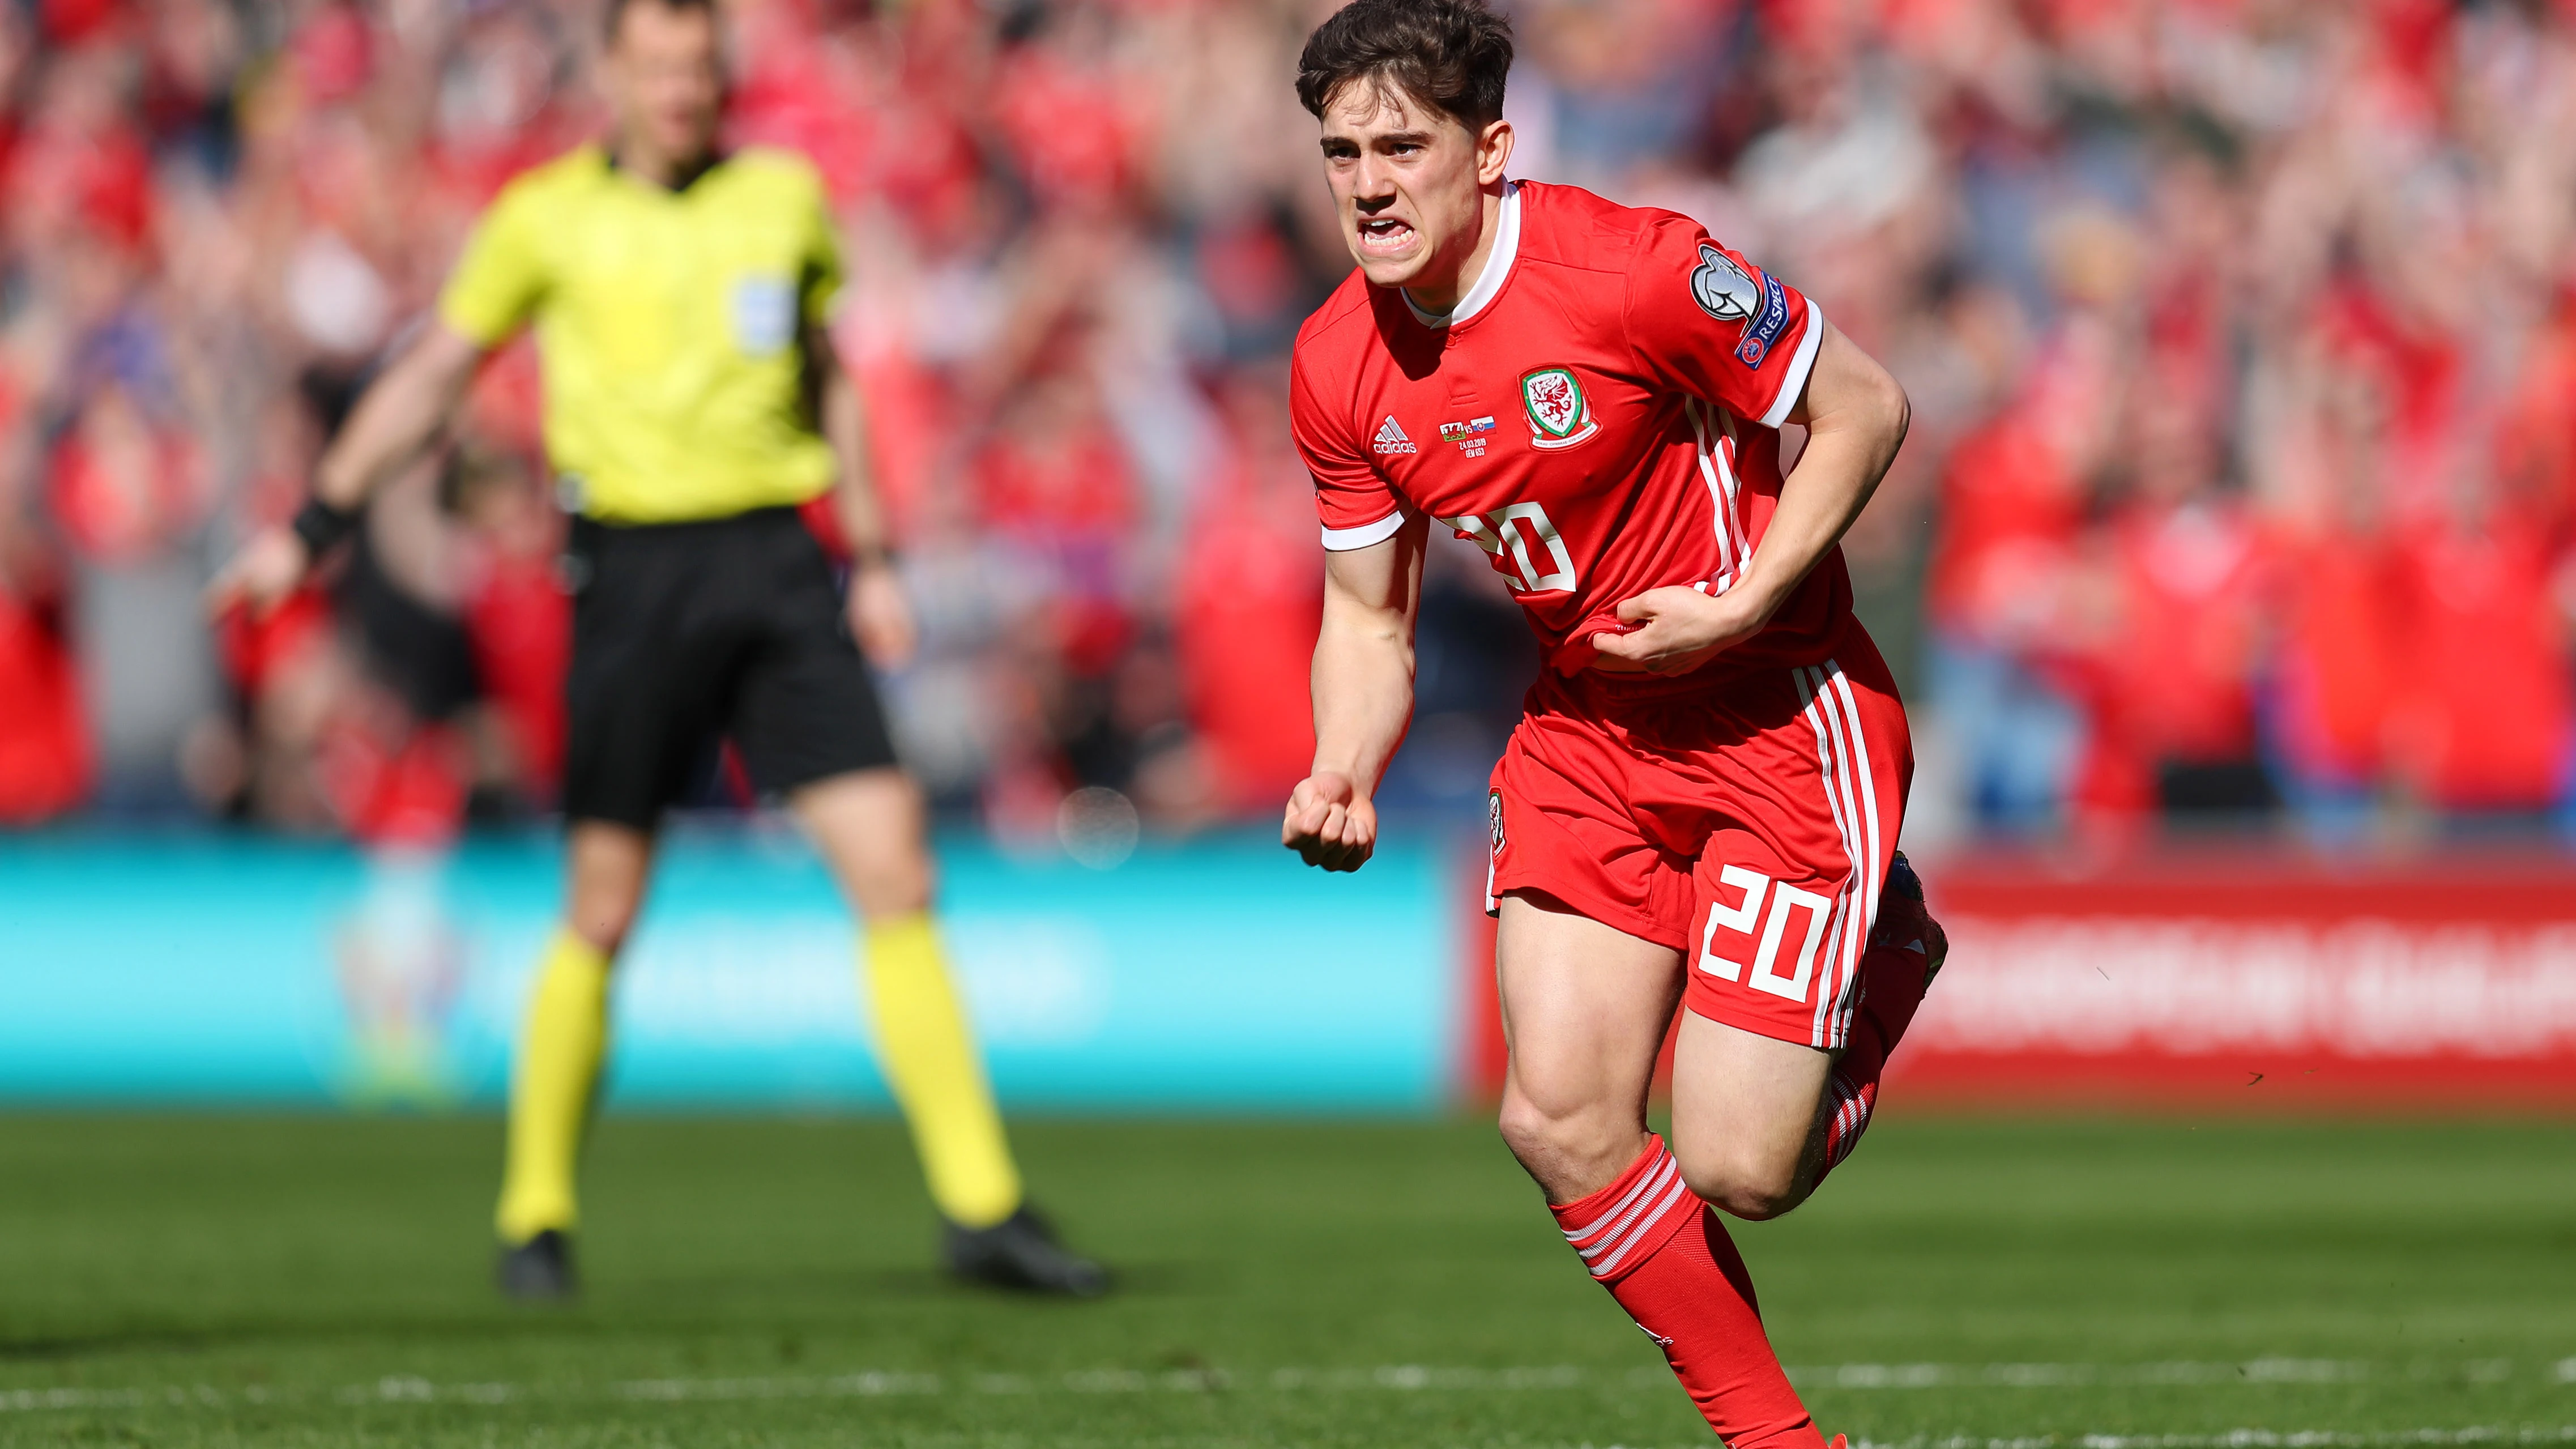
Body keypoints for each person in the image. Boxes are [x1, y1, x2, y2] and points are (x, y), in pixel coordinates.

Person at [210, 0, 1104, 1301]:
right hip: (635, 573)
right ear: (614, 77)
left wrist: (879, 555)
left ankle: (983, 1204)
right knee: (604, 907)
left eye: (701, 68)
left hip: (780, 569)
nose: (684, 90)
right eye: (660, 67)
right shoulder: (546, 216)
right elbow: (434, 374)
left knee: (895, 871)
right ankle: (536, 1214)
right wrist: (312, 525)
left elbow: (831, 378)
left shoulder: (780, 200)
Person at [1277, 0, 1944, 1441]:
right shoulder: (1336, 365)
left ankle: (1888, 945)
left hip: (1776, 714)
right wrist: (1344, 760)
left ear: (1493, 150)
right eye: (1342, 153)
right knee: (1558, 1118)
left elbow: (1868, 408)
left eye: (1403, 144)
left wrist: (1749, 599)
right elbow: (1368, 618)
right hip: (1588, 735)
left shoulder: (1640, 271)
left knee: (1738, 1166)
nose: (1370, 182)